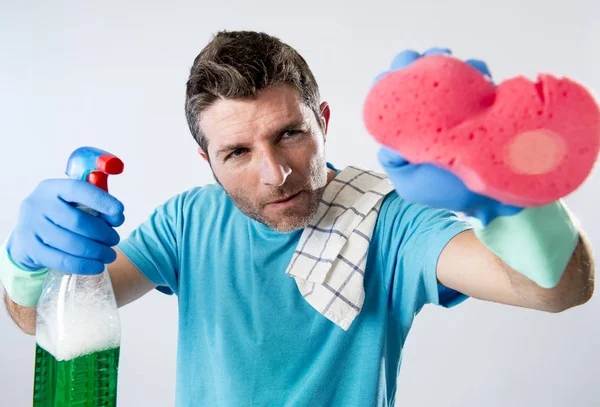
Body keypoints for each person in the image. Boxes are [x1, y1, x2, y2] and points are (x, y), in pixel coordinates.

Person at [1, 31, 595, 406]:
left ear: (323, 122)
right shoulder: (188, 221)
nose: (275, 173)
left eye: (289, 134)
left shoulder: (388, 222)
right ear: (206, 161)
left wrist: (507, 191)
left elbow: (557, 289)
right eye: (237, 153)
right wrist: (27, 264)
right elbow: (40, 320)